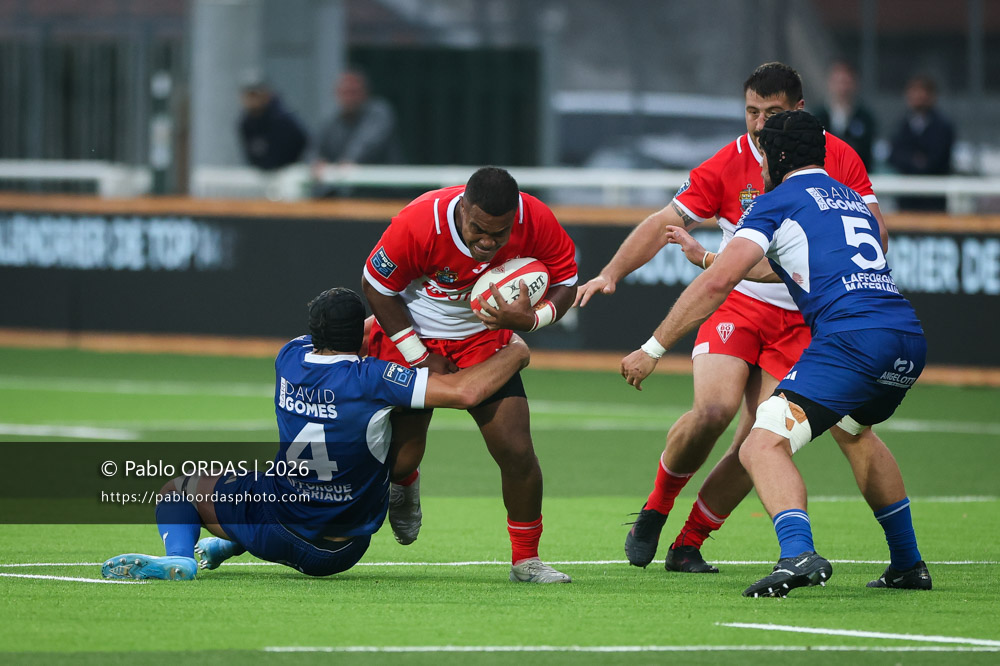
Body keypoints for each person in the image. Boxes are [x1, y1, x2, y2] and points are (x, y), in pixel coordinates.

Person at [576, 62, 898, 576]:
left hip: (800, 321)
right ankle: (656, 509)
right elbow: (664, 222)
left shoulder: (836, 157)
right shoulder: (728, 162)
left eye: (770, 113)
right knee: (713, 411)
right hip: (736, 303)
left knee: (758, 440)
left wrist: (718, 261)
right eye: (751, 111)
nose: (757, 124)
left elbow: (875, 237)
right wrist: (611, 273)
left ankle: (689, 542)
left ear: (797, 110)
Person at [622, 110, 930, 597]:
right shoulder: (849, 198)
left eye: (763, 153)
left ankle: (797, 554)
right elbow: (787, 264)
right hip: (906, 338)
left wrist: (654, 346)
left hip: (851, 342)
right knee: (856, 431)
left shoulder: (776, 200)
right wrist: (708, 256)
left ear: (775, 157)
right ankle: (908, 564)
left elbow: (720, 281)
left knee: (759, 445)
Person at [101, 287, 530, 581]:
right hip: (343, 549)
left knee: (181, 489)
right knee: (413, 406)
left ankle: (181, 557)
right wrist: (517, 350)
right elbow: (466, 391)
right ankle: (404, 490)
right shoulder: (373, 378)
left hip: (277, 525)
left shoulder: (288, 357)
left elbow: (353, 334)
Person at [361, 166, 578, 584]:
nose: (487, 242)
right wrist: (418, 354)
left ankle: (526, 559)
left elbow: (567, 281)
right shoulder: (419, 221)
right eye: (478, 229)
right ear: (463, 207)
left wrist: (532, 320)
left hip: (484, 340)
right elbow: (376, 286)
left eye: (498, 235)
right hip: (415, 333)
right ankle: (404, 482)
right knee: (402, 455)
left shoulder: (534, 218)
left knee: (516, 450)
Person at [313, 69, 402, 197]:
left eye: (353, 92)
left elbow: (367, 143)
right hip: (349, 200)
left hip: (384, 196)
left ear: (365, 93)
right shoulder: (333, 122)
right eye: (345, 92)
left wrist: (349, 160)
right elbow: (314, 149)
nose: (349, 97)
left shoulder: (379, 112)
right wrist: (316, 162)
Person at [888, 75, 956, 211]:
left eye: (923, 91)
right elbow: (894, 155)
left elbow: (937, 158)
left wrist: (915, 161)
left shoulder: (943, 126)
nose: (918, 96)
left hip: (934, 200)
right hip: (906, 199)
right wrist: (915, 160)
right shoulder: (901, 125)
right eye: (914, 91)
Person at [237, 71, 309, 171]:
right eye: (249, 95)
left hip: (287, 171)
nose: (252, 100)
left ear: (266, 95)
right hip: (262, 173)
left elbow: (302, 142)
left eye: (255, 95)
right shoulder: (246, 123)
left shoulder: (282, 119)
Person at [813, 60, 876, 170]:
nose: (842, 88)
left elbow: (866, 153)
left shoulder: (865, 118)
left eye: (846, 82)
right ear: (830, 83)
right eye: (838, 82)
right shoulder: (817, 116)